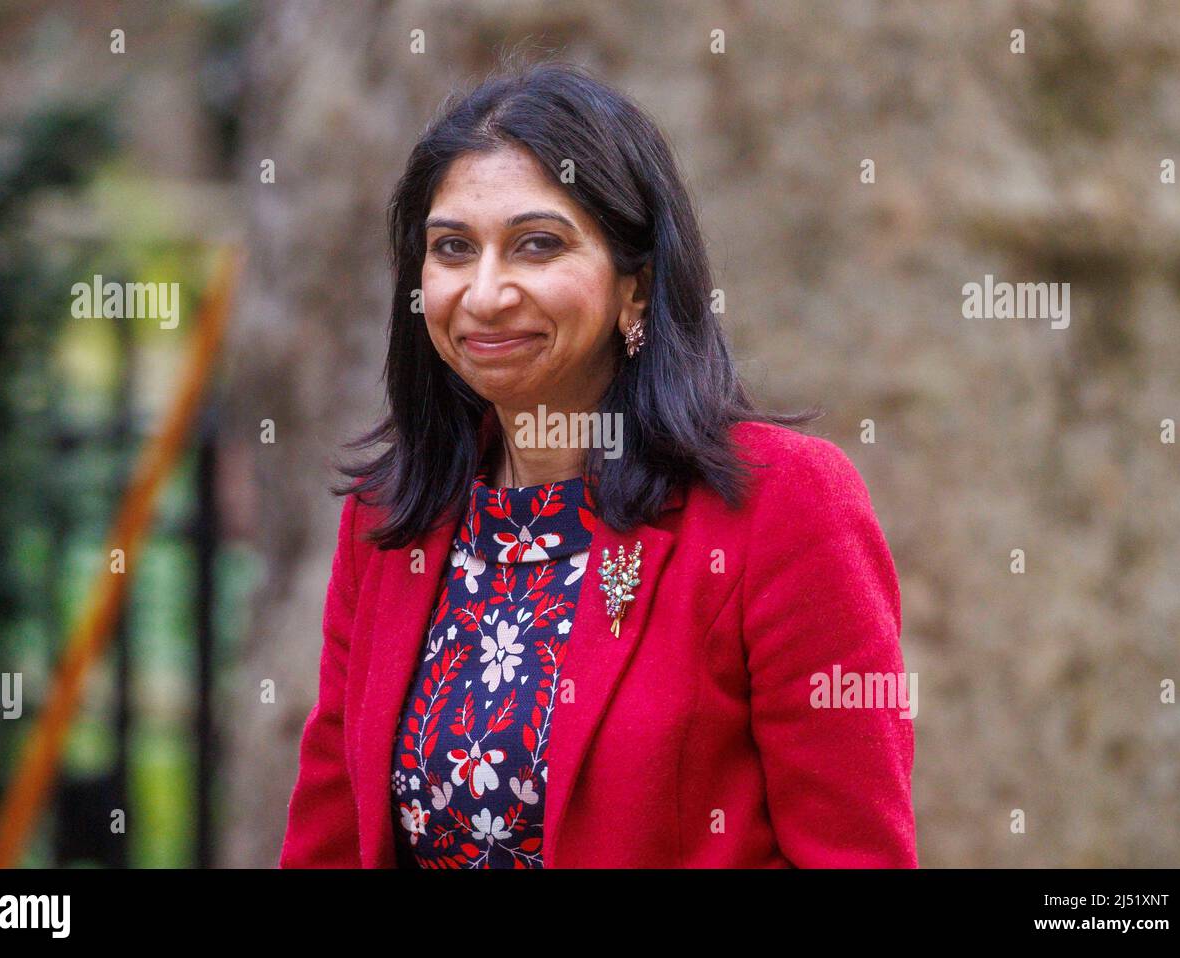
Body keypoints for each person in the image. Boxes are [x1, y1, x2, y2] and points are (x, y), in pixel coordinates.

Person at [279, 59, 916, 868]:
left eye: (537, 245)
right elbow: (328, 844)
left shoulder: (782, 504)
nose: (484, 292)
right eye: (451, 249)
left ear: (637, 288)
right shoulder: (388, 518)